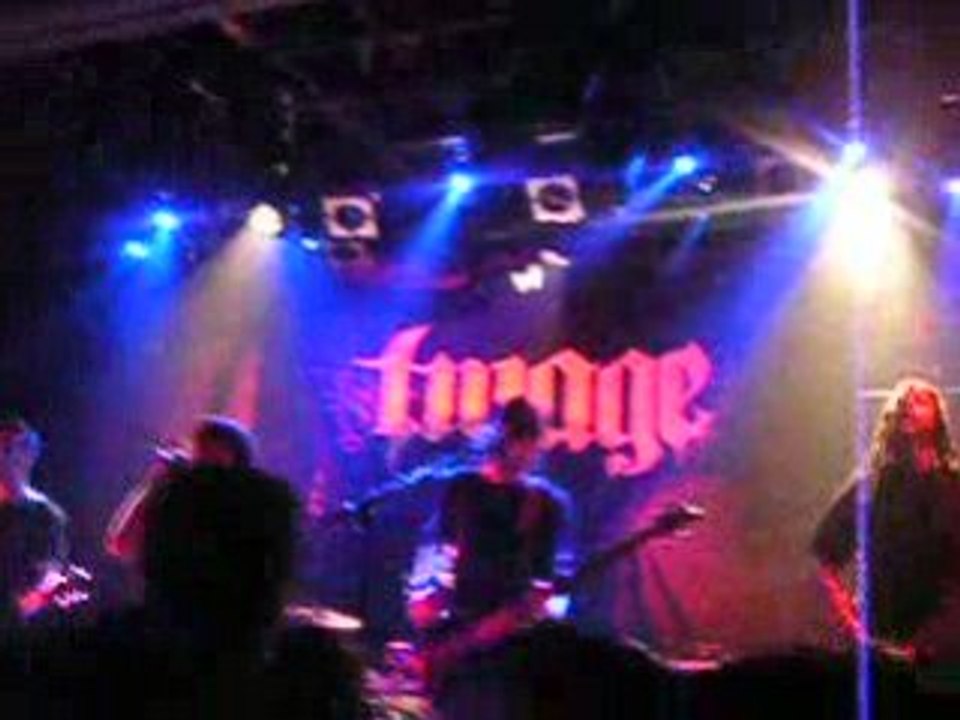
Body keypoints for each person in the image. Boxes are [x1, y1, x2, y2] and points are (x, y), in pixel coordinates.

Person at [406, 397, 571, 710]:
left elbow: (550, 585)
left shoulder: (544, 503)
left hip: (512, 639)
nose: (526, 450)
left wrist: (511, 619)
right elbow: (438, 549)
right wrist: (424, 598)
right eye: (518, 438)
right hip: (459, 623)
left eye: (529, 440)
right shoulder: (462, 488)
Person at [812, 377, 960, 659]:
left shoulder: (954, 487)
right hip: (882, 642)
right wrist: (853, 626)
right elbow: (824, 555)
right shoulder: (873, 485)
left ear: (937, 418)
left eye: (919, 400)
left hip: (945, 649)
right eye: (903, 401)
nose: (908, 404)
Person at [104, 415, 256, 563]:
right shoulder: (177, 500)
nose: (201, 467)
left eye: (214, 461)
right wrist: (157, 481)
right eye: (199, 455)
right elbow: (122, 544)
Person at [0, 416, 69, 628]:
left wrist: (16, 614)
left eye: (9, 449)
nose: (4, 456)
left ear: (31, 455)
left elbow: (47, 583)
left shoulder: (46, 516)